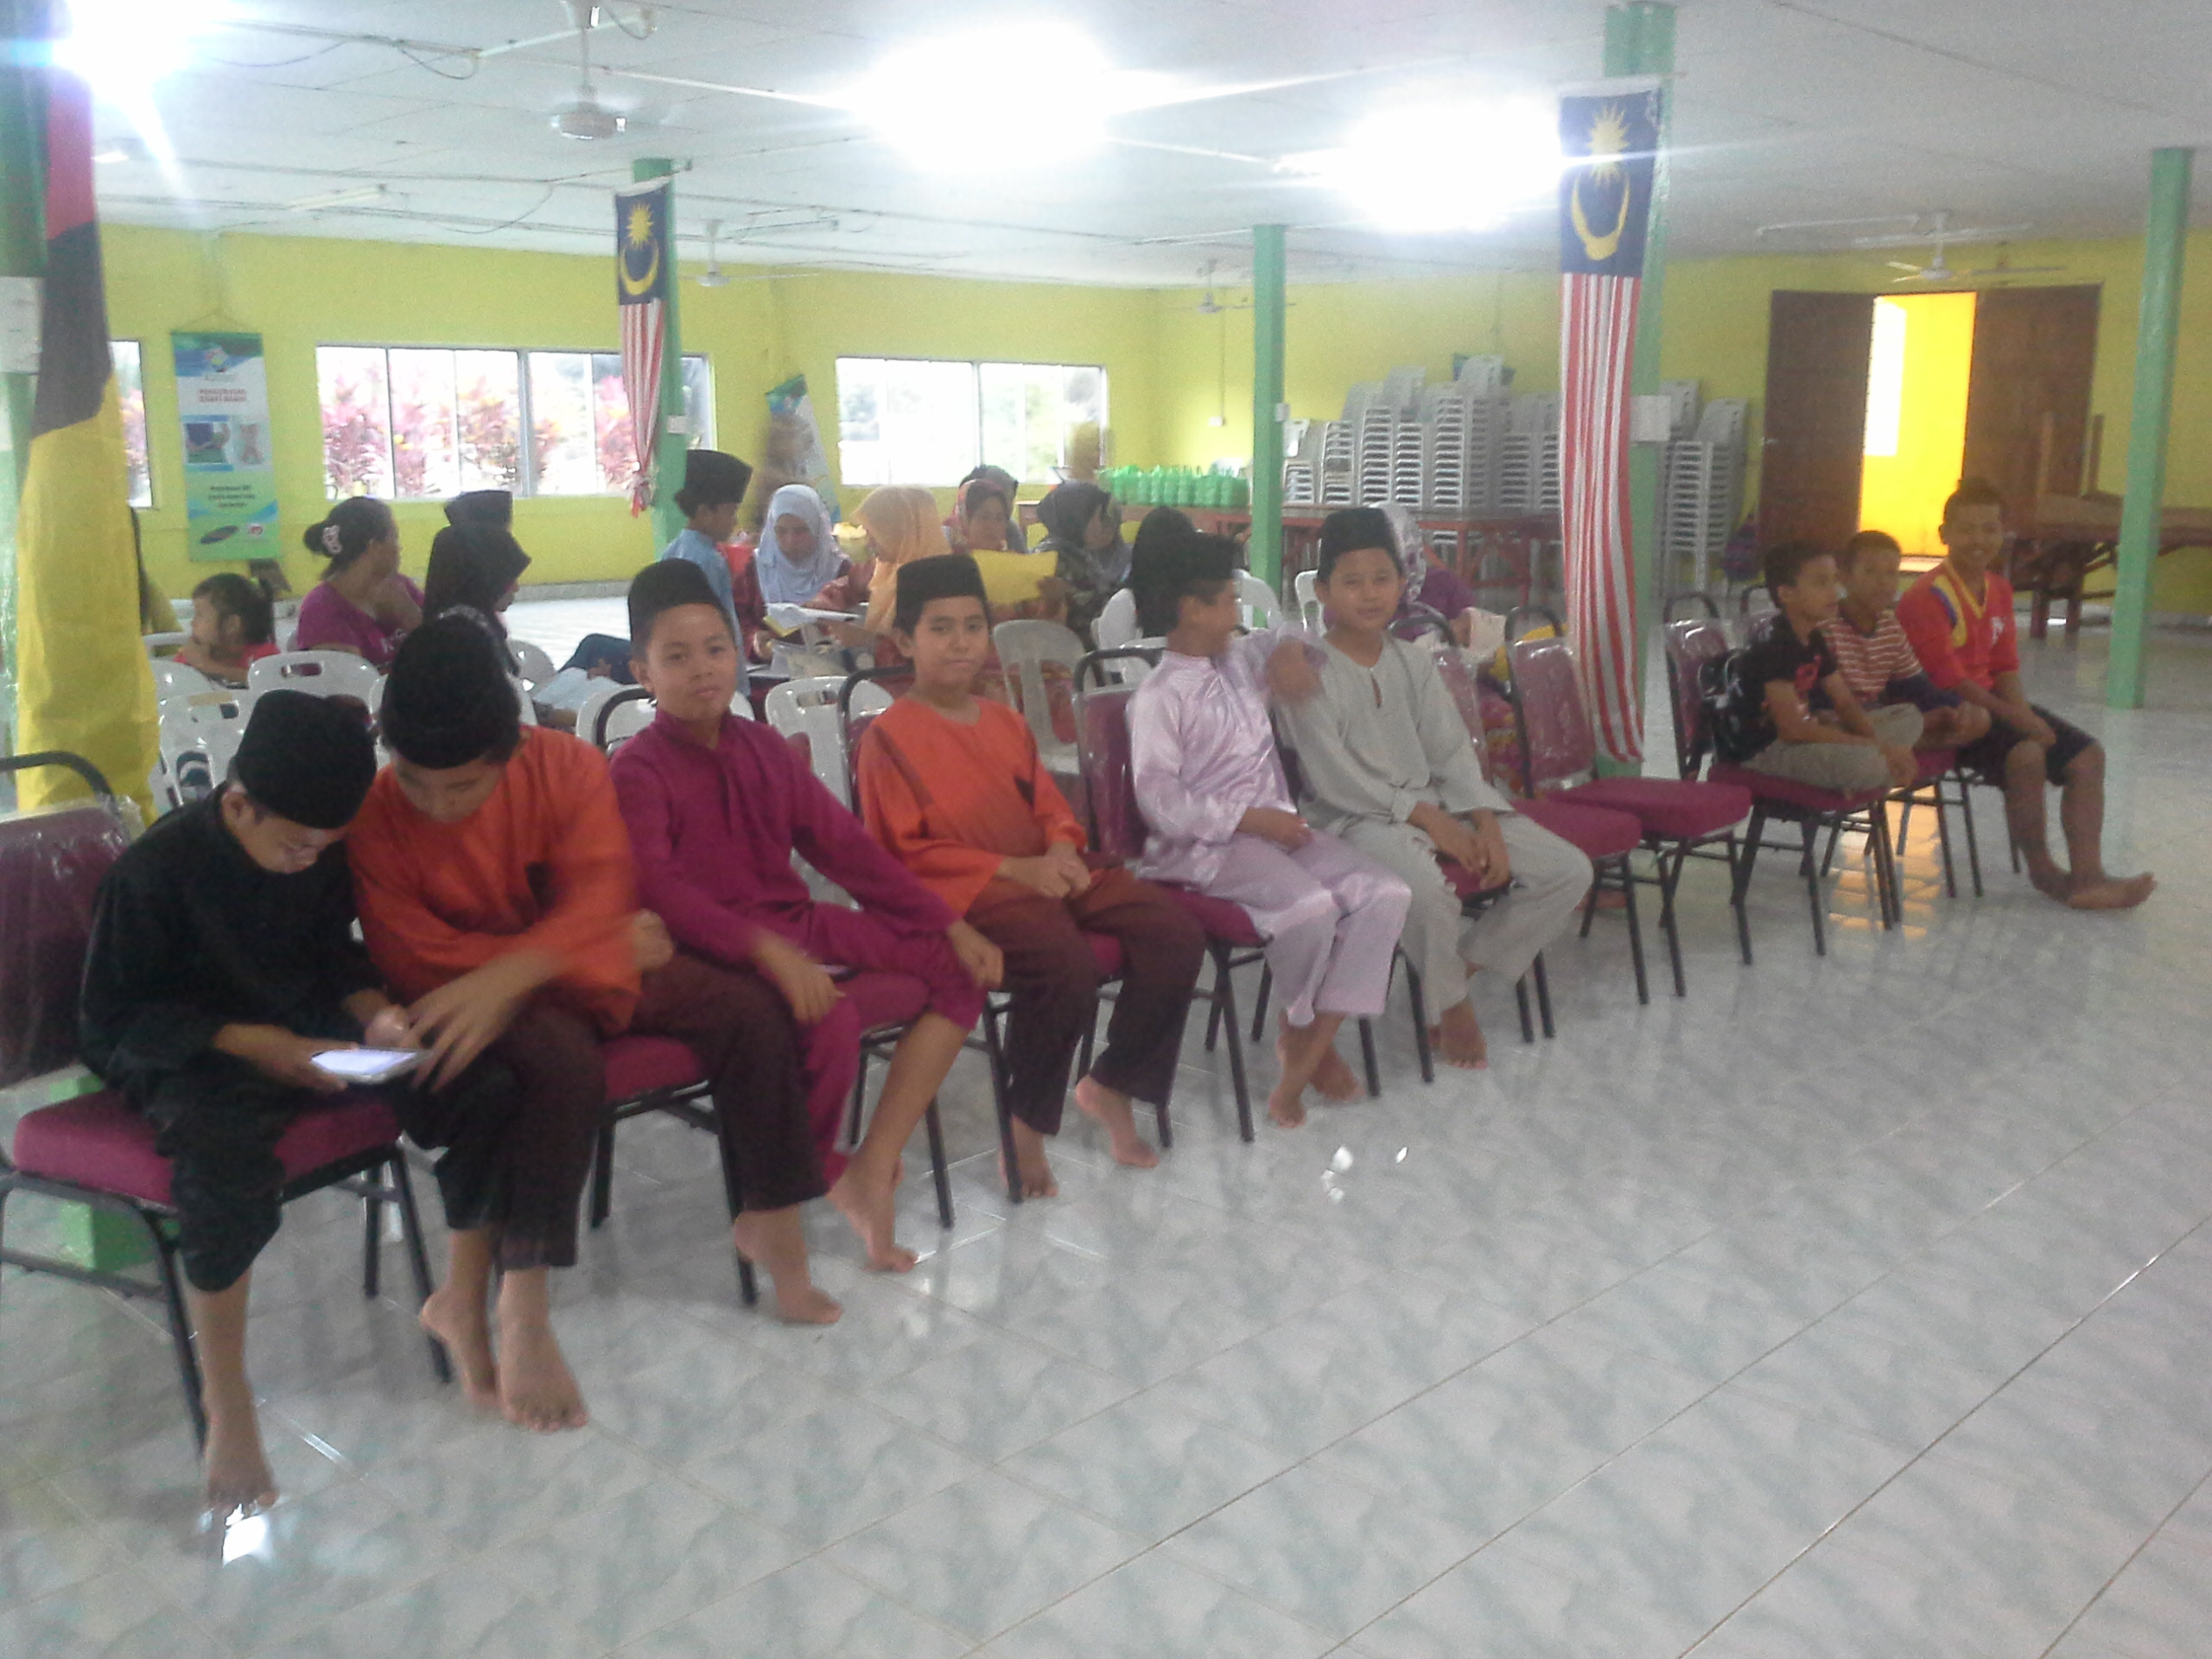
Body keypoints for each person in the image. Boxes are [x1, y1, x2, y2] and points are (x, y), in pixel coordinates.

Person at [347, 617, 817, 1420]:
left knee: (749, 1009)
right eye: (419, 782)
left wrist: (525, 970)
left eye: (463, 787)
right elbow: (415, 956)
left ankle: (771, 1215)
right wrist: (578, 953)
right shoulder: (379, 814)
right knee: (562, 1060)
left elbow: (601, 893)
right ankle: (524, 1310)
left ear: (511, 750)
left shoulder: (564, 766)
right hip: (486, 995)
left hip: (558, 976)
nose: (440, 805)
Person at [79, 691, 433, 1517]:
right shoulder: (155, 873)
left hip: (293, 1038)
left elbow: (331, 959)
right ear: (238, 805)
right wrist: (255, 1044)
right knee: (223, 1161)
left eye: (324, 849)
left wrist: (376, 1015)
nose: (310, 862)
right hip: (187, 1055)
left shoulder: (314, 857)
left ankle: (480, 1304)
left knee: (456, 1065)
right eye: (296, 846)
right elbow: (110, 1023)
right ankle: (228, 1399)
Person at [612, 560, 992, 1280]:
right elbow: (664, 893)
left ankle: (872, 1164)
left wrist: (948, 922)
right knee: (831, 1017)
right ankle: (795, 1189)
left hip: (796, 923)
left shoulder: (763, 747)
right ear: (643, 672)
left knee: (957, 969)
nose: (703, 669)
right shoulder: (638, 769)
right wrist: (766, 952)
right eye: (677, 657)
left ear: (738, 650)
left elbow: (847, 850)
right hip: (707, 950)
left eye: (716, 649)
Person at [857, 555, 1205, 1197]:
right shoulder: (889, 737)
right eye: (940, 629)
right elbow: (903, 854)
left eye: (972, 626)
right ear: (905, 641)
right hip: (969, 893)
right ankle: (1025, 1127)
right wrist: (1016, 869)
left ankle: (1113, 1082)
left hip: (1043, 871)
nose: (961, 642)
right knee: (1064, 964)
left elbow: (1049, 805)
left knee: (1174, 932)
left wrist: (1064, 849)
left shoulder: (1004, 721)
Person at [1287, 508, 1591, 1070]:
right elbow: (1335, 779)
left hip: (1438, 802)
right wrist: (1431, 820)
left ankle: (1455, 970)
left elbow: (1452, 752)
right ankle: (1449, 1006)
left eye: (1382, 579)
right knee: (1424, 892)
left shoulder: (1414, 662)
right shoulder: (1308, 671)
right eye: (1352, 582)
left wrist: (1485, 821)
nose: (1369, 594)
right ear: (1324, 592)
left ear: (1402, 584)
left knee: (1567, 870)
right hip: (1356, 819)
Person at [1128, 525, 1411, 1128]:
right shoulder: (1158, 696)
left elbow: (1293, 632)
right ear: (1191, 609)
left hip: (1275, 831)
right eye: (1229, 600)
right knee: (1309, 909)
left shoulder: (1239, 660)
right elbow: (1159, 802)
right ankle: (1304, 1034)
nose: (1238, 612)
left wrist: (1286, 650)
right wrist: (1247, 818)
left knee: (1386, 893)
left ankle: (1305, 1038)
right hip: (1205, 849)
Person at [1896, 480, 2154, 910]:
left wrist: (2023, 715)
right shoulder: (1926, 597)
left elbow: (2005, 666)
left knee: (2088, 757)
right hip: (1948, 713)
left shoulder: (1998, 588)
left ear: (2004, 533)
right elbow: (1950, 681)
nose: (1979, 540)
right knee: (2027, 754)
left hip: (1993, 704)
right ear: (1944, 534)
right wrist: (2021, 722)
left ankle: (2088, 876)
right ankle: (2046, 874)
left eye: (1989, 529)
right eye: (1967, 530)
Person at [1718, 541, 1922, 792]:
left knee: (1908, 717)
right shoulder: (1775, 645)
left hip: (1808, 732)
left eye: (1834, 581)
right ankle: (1875, 767)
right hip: (1767, 749)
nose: (1834, 593)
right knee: (1865, 764)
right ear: (1787, 594)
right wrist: (1876, 748)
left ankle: (1877, 765)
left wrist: (1874, 743)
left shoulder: (1813, 637)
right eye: (1821, 583)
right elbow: (1792, 729)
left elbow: (1845, 703)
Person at [1822, 529, 1990, 753]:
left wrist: (1958, 707)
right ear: (1845, 577)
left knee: (1978, 717)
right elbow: (1824, 700)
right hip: (1840, 720)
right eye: (1870, 572)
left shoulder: (1890, 627)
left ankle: (1893, 745)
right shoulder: (1826, 628)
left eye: (1891, 573)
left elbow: (1916, 686)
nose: (1882, 582)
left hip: (1883, 716)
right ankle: (1888, 746)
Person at [743, 483, 867, 677]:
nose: (790, 541)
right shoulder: (759, 566)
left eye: (800, 531)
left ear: (817, 528)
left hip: (831, 675)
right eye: (780, 531)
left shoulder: (840, 570)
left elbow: (857, 625)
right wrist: (754, 641)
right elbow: (738, 618)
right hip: (767, 675)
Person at [295, 496, 422, 667]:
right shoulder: (321, 608)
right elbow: (348, 679)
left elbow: (444, 653)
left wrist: (410, 615)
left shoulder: (401, 586)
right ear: (374, 547)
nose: (399, 548)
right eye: (394, 538)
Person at [658, 448, 752, 659]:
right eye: (731, 513)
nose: (735, 521)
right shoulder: (710, 560)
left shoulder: (673, 548)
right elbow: (717, 621)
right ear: (705, 513)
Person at [1034, 480, 1128, 645]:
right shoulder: (1055, 559)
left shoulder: (1076, 553)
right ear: (1077, 519)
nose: (1107, 526)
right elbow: (1095, 603)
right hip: (1078, 651)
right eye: (1100, 517)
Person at [1379, 503, 1482, 647]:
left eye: (1409, 558)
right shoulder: (1359, 599)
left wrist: (1456, 634)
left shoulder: (1443, 584)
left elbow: (1474, 631)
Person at [174, 572, 277, 687]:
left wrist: (206, 665)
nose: (193, 623)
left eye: (200, 615)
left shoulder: (264, 655)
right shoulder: (189, 656)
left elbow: (269, 683)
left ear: (231, 625)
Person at [947, 467, 1021, 554]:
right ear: (964, 517)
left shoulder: (1008, 552)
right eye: (984, 517)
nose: (992, 526)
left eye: (999, 518)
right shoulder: (944, 546)